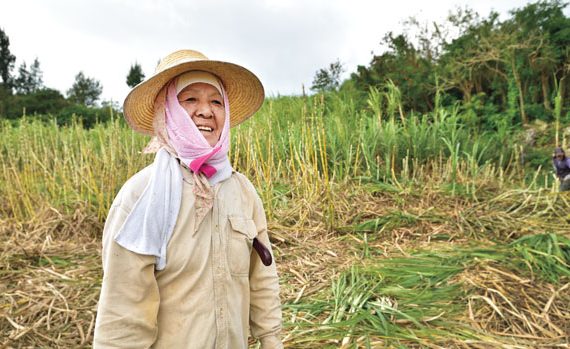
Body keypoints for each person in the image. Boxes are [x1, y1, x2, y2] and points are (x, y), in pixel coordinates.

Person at [93, 50, 283, 348]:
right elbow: (123, 312)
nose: (206, 111)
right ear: (168, 111)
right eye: (190, 99)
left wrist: (272, 340)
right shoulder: (141, 197)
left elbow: (262, 280)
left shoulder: (242, 191)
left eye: (216, 101)